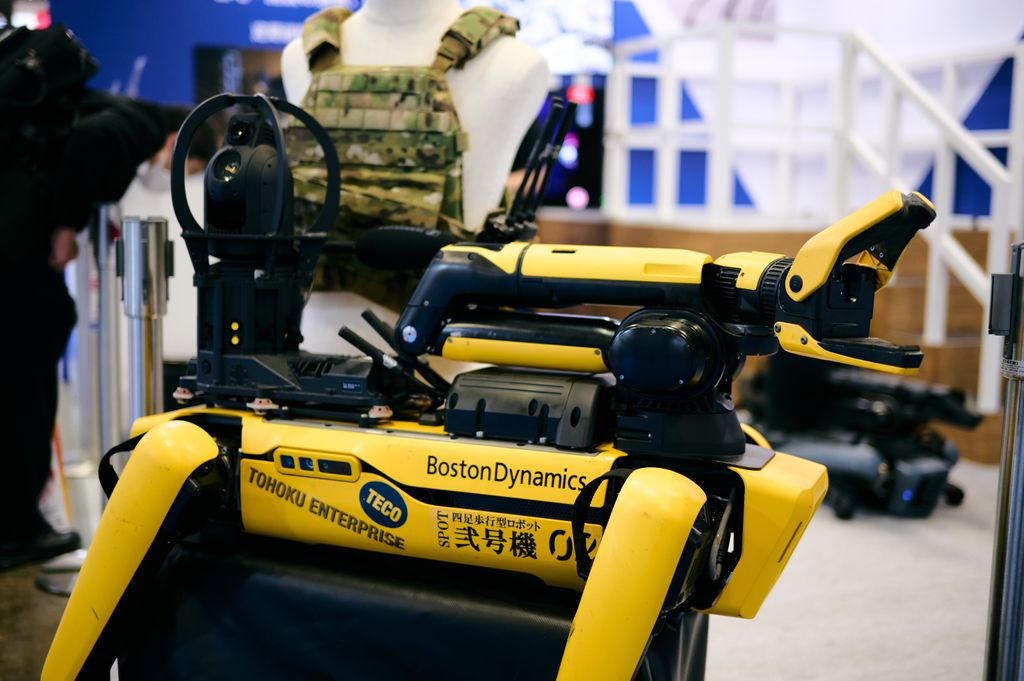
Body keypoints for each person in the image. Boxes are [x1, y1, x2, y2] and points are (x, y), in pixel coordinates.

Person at [0, 82, 184, 569]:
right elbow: (92, 142)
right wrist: (66, 228)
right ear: (177, 141)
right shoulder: (145, 121)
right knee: (28, 371)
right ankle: (17, 529)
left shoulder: (86, 107)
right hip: (18, 254)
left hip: (14, 246)